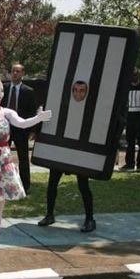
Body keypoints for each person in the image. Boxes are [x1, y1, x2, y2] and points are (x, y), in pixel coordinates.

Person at [0, 76, 52, 265]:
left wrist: (38, 118)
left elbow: (21, 123)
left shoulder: (7, 113)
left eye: (1, 91)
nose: (0, 95)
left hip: (3, 164)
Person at [38, 81, 96, 232]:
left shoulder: (91, 109)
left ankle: (90, 219)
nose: (78, 94)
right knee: (52, 184)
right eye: (75, 90)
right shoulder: (63, 106)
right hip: (61, 151)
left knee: (83, 186)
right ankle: (49, 215)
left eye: (82, 91)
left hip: (80, 153)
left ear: (86, 92)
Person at [1, 63, 38, 193]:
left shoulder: (28, 91)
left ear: (23, 73)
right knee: (2, 157)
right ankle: (3, 184)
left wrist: (33, 130)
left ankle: (25, 186)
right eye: (13, 71)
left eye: (18, 71)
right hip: (4, 129)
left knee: (23, 159)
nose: (15, 73)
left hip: (21, 130)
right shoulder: (3, 89)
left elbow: (32, 112)